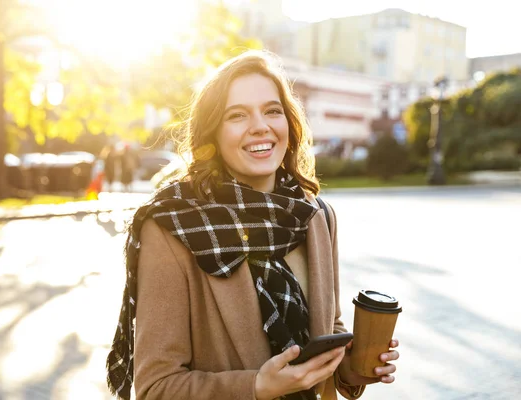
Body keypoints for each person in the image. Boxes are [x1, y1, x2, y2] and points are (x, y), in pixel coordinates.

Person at [106, 50, 400, 400]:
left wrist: (353, 367)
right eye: (237, 115)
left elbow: (327, 334)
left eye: (272, 111)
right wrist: (256, 388)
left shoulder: (316, 216)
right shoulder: (173, 227)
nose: (260, 125)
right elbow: (157, 388)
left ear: (289, 124)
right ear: (212, 134)